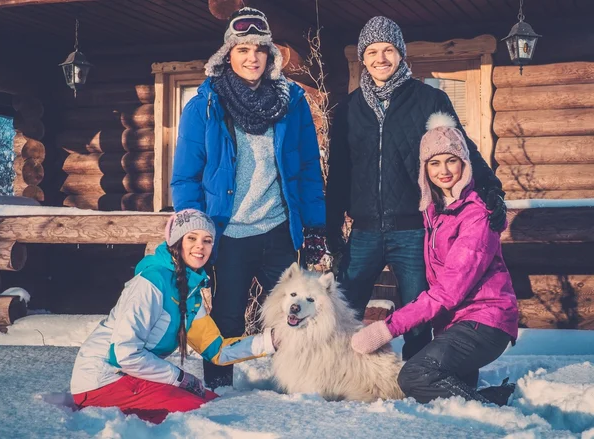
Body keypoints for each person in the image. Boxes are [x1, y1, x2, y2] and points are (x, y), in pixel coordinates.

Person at [326, 16, 507, 360]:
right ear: (363, 58)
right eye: (373, 51)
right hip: (363, 231)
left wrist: (491, 188)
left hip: (413, 228)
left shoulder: (428, 99)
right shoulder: (349, 108)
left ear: (401, 55)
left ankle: (417, 379)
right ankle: (337, 373)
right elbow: (338, 172)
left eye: (389, 50)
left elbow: (462, 146)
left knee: (419, 316)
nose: (381, 58)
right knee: (341, 310)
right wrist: (333, 230)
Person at [171, 7, 326, 389]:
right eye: (242, 49)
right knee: (227, 318)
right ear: (228, 55)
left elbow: (307, 168)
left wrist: (316, 225)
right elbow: (186, 177)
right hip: (229, 233)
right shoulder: (204, 106)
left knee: (293, 314)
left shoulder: (291, 103)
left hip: (277, 229)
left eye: (259, 49)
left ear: (270, 55)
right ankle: (219, 389)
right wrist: (192, 231)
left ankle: (297, 385)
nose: (251, 57)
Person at [350, 113, 519, 406]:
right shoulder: (435, 212)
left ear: (464, 163)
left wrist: (387, 328)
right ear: (424, 169)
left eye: (451, 160)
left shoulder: (476, 216)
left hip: (484, 322)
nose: (444, 170)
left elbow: (447, 291)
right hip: (457, 326)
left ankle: (490, 407)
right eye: (434, 163)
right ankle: (491, 401)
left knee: (414, 375)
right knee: (445, 393)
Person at [70, 209, 277, 424]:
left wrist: (271, 340)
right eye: (192, 238)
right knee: (198, 411)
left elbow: (218, 350)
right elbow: (124, 354)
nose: (200, 246)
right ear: (176, 242)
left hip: (133, 376)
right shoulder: (151, 282)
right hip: (102, 379)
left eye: (207, 240)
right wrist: (179, 377)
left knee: (213, 401)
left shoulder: (190, 291)